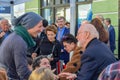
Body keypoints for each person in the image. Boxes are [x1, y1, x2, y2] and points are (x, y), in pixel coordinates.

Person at [0, 12, 44, 80]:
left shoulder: (16, 36)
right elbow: (23, 71)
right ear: (29, 26)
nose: (41, 30)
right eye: (39, 26)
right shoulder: (19, 41)